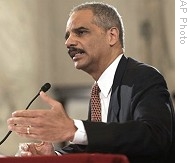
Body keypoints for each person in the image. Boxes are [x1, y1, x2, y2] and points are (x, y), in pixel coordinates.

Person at [7, 2, 175, 163]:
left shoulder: (143, 77)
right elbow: (100, 145)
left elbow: (155, 136)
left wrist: (73, 128)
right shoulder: (98, 90)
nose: (68, 42)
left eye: (80, 32)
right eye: (67, 36)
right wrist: (54, 155)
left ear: (112, 36)